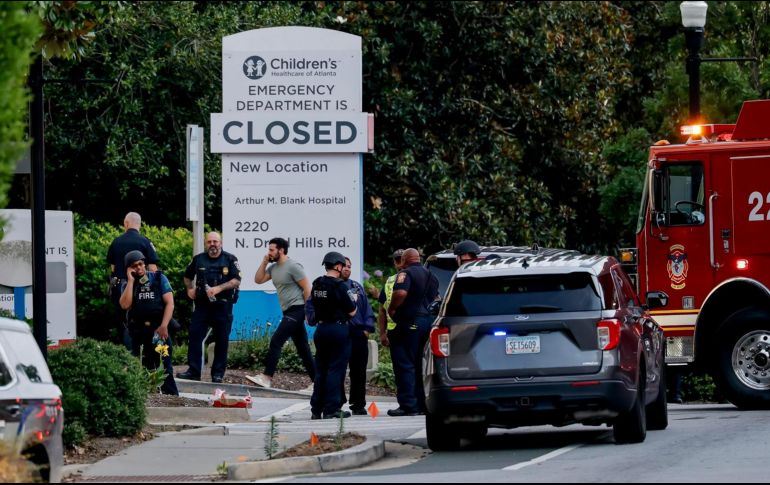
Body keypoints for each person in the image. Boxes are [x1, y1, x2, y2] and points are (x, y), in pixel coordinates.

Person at [248, 237, 316, 389]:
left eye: (272, 250)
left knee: (276, 340)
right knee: (303, 349)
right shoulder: (273, 268)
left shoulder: (293, 266)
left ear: (281, 250)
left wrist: (307, 312)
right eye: (269, 250)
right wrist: (265, 262)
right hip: (288, 311)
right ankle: (318, 383)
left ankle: (267, 377)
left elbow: (307, 288)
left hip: (298, 309)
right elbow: (258, 280)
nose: (269, 253)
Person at [177, 232, 242, 384]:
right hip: (202, 306)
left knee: (221, 340)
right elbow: (187, 276)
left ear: (221, 243)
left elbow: (236, 280)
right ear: (206, 243)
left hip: (223, 306)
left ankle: (217, 374)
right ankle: (193, 371)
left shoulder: (230, 259)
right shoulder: (199, 259)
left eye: (215, 241)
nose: (212, 244)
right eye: (209, 242)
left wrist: (219, 288)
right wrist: (189, 289)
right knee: (194, 335)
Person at [387, 248, 439, 416]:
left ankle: (408, 405)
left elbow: (401, 292)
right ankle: (422, 404)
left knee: (405, 363)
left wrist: (393, 308)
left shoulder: (405, 274)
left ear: (405, 259)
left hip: (409, 322)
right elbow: (435, 297)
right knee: (419, 364)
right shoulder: (432, 276)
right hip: (427, 321)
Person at [119, 250, 178, 395]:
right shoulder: (127, 283)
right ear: (129, 268)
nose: (139, 268)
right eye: (134, 266)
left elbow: (170, 303)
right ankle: (147, 397)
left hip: (159, 330)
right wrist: (131, 281)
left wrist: (164, 325)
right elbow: (124, 305)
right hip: (138, 332)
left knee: (164, 366)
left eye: (140, 264)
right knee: (143, 366)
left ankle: (172, 398)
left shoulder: (158, 278)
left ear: (144, 263)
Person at [308, 251, 357, 419]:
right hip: (338, 330)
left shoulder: (317, 284)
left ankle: (316, 409)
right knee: (336, 370)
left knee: (321, 370)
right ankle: (331, 409)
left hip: (321, 330)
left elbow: (313, 305)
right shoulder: (340, 285)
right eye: (342, 265)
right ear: (337, 266)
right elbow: (352, 311)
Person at [106, 212, 159, 348]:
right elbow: (153, 269)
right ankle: (142, 357)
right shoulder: (145, 241)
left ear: (126, 223)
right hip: (140, 290)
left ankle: (127, 357)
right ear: (139, 224)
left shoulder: (116, 242)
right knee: (141, 322)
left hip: (120, 288)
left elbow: (112, 268)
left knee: (123, 323)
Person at [340, 257, 376, 415]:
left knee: (359, 371)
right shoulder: (333, 286)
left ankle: (358, 404)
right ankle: (337, 403)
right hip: (341, 332)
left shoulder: (357, 287)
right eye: (344, 266)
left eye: (349, 266)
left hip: (359, 334)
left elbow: (367, 309)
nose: (347, 269)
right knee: (338, 370)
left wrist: (367, 329)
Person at [377, 249, 404, 350]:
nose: (399, 264)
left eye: (402, 260)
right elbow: (382, 310)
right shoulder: (390, 281)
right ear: (394, 263)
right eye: (397, 261)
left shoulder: (415, 277)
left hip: (412, 330)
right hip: (394, 330)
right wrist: (382, 334)